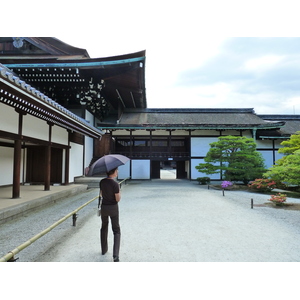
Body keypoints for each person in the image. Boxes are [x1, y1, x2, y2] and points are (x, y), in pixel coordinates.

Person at [99, 167, 121, 262]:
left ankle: (104, 249)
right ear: (113, 172)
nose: (117, 172)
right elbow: (117, 199)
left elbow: (101, 194)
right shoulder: (115, 184)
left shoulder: (102, 182)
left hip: (104, 207)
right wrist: (119, 192)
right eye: (116, 170)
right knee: (116, 230)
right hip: (113, 208)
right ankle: (115, 255)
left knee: (104, 227)